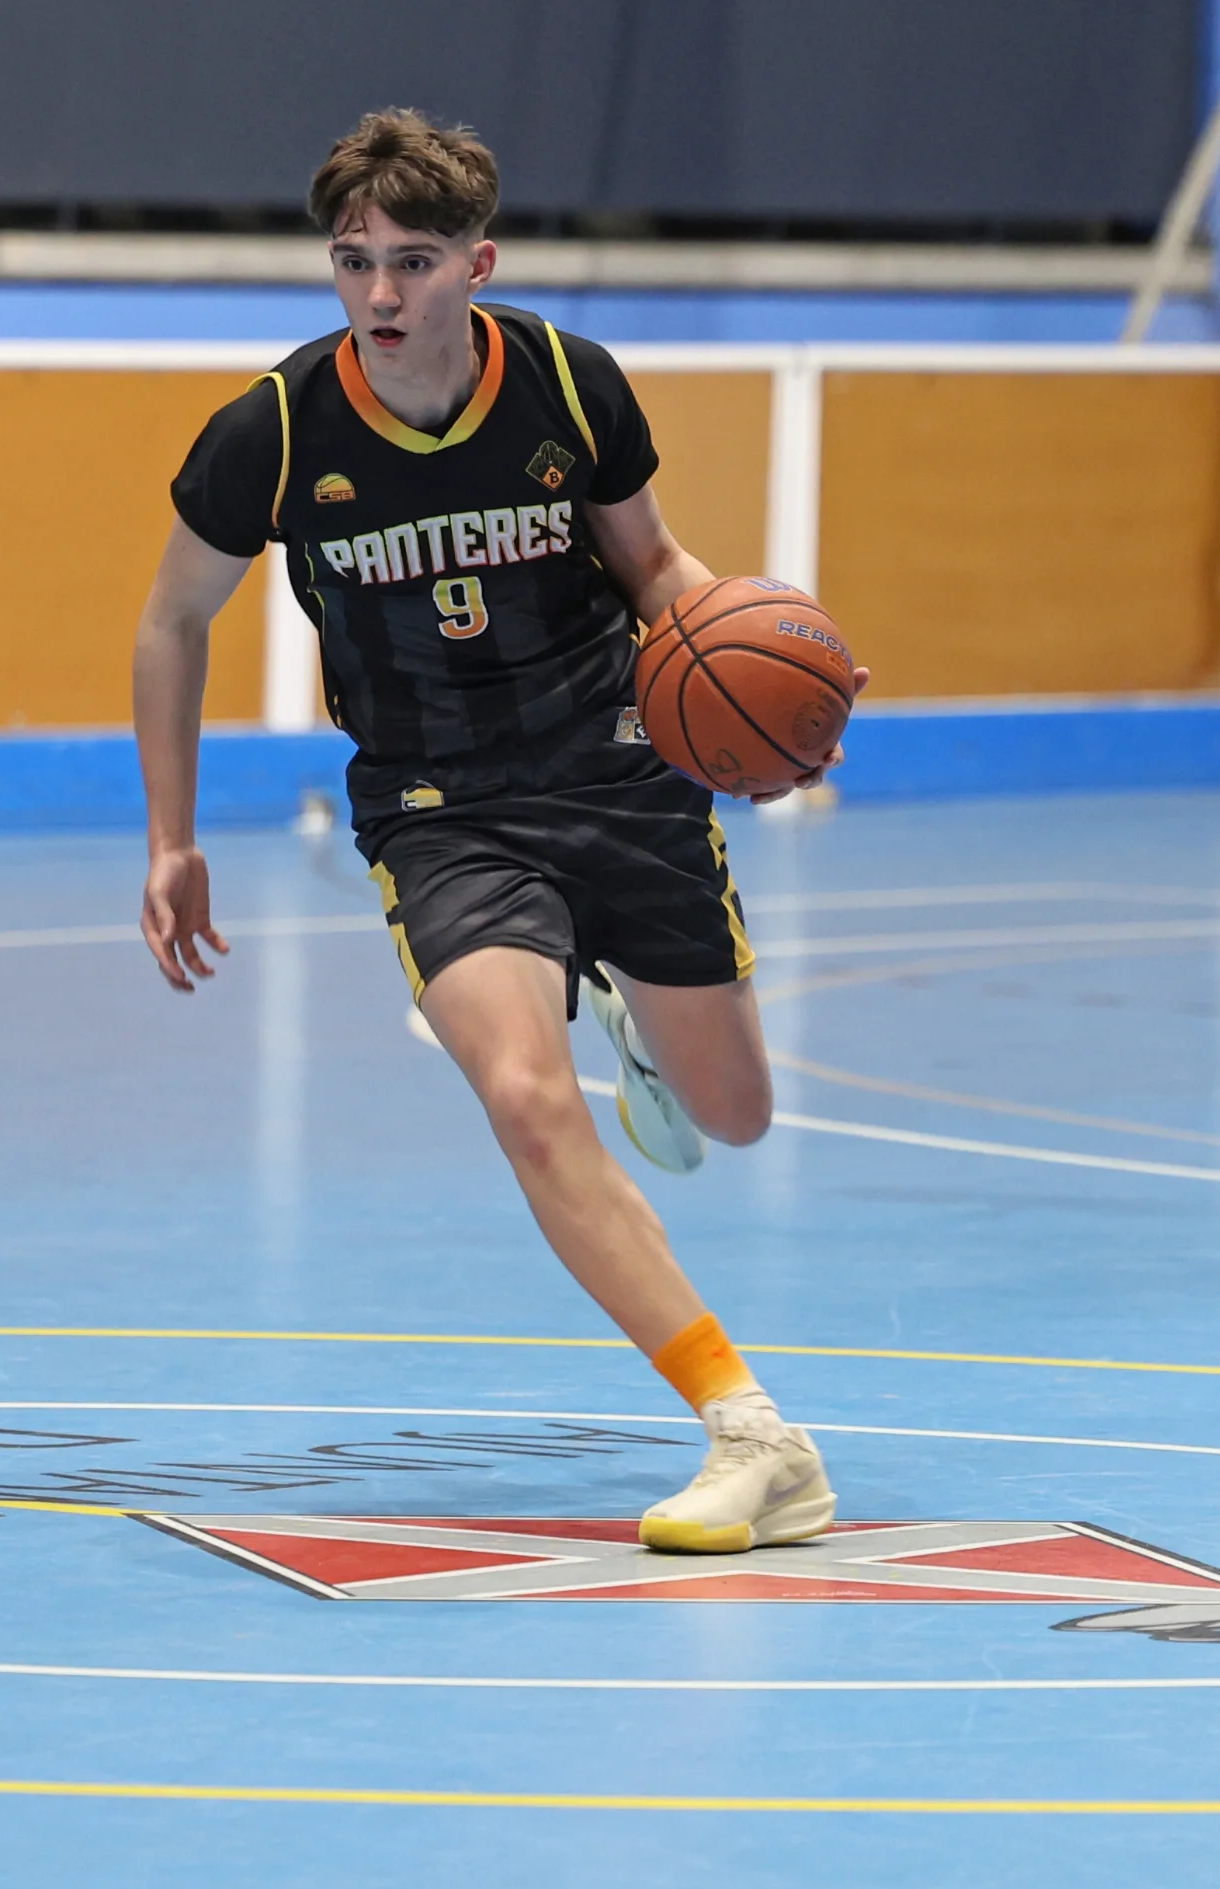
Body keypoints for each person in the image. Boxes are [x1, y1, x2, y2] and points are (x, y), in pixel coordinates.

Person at [133, 109, 867, 1554]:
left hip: (618, 762)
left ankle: (629, 1007)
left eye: (413, 261)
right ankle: (751, 1432)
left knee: (736, 1116)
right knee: (526, 1099)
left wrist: (789, 695)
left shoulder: (568, 385)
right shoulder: (273, 434)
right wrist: (172, 836)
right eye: (353, 261)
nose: (380, 293)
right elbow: (171, 621)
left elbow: (654, 567)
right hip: (439, 805)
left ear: (479, 263)